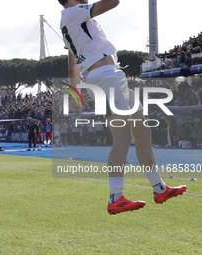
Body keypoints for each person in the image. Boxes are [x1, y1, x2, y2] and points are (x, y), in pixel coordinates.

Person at [58, 0, 187, 215]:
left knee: (142, 131)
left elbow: (72, 65)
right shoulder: (73, 13)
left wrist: (75, 95)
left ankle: (159, 188)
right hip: (105, 78)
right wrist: (75, 95)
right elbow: (113, 2)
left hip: (112, 77)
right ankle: (115, 197)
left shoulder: (72, 19)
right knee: (123, 136)